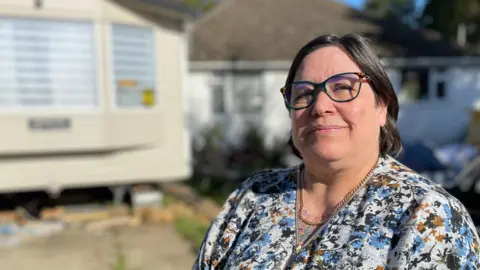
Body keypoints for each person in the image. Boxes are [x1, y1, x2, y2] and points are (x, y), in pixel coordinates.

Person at [192, 34, 480, 269]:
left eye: (343, 87)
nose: (320, 107)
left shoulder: (427, 215)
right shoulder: (252, 198)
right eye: (304, 93)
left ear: (382, 106)